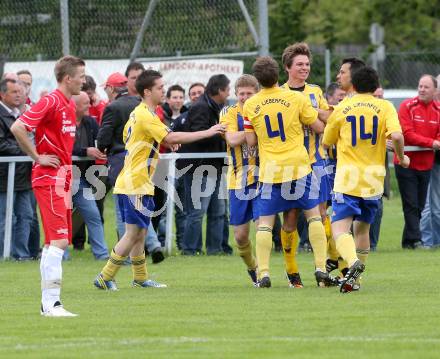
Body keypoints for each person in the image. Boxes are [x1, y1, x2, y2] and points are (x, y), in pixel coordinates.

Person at [93, 69, 226, 291]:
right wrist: (208, 131)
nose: (163, 91)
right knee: (133, 232)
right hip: (135, 182)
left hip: (138, 181)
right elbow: (170, 136)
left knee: (140, 231)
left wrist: (165, 142)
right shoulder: (145, 115)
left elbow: (155, 137)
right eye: (160, 88)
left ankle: (140, 278)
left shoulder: (142, 113)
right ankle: (105, 276)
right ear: (147, 91)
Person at [244, 56, 333, 288]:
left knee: (265, 223)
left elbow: (251, 141)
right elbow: (319, 127)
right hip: (299, 166)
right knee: (314, 215)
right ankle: (321, 267)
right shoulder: (296, 98)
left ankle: (263, 273)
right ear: (278, 74)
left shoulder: (250, 104)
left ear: (258, 80)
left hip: (270, 170)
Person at [11, 55, 86, 317]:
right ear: (68, 78)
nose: (83, 81)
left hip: (63, 176)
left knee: (53, 242)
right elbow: (18, 127)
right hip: (49, 177)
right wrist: (37, 156)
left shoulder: (67, 104)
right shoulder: (51, 101)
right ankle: (51, 303)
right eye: (81, 76)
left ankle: (50, 304)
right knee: (60, 241)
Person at [323, 66, 409, 293]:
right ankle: (355, 281)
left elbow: (326, 141)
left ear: (354, 84)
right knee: (362, 230)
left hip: (348, 177)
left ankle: (352, 264)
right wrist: (401, 157)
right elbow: (398, 136)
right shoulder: (385, 106)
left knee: (340, 229)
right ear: (375, 85)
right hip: (374, 179)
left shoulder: (342, 108)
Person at [279, 42, 332, 287]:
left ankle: (326, 268)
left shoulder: (314, 91)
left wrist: (308, 110)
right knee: (290, 217)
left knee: (321, 213)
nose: (304, 68)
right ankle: (292, 274)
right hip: (288, 164)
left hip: (315, 160)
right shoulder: (278, 93)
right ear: (288, 67)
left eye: (307, 64)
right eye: (299, 64)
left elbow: (328, 117)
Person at [97, 71, 164, 263]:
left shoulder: (113, 107)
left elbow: (103, 139)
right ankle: (152, 246)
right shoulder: (141, 106)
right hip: (143, 164)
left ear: (111, 88)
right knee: (137, 216)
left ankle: (126, 262)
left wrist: (101, 148)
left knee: (126, 216)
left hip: (123, 162)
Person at [180, 74, 230, 255]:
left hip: (216, 166)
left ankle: (214, 250)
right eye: (228, 89)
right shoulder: (201, 107)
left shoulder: (219, 107)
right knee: (197, 212)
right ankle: (190, 250)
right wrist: (221, 133)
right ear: (220, 90)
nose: (229, 93)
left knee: (218, 211)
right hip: (200, 167)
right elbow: (196, 136)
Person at [220, 74, 259, 286]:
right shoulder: (228, 112)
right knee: (240, 236)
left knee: (264, 228)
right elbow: (232, 139)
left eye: (249, 93)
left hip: (263, 178)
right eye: (241, 93)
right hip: (238, 180)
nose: (244, 97)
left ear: (257, 93)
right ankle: (253, 268)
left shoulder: (263, 109)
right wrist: (254, 130)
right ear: (236, 95)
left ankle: (265, 272)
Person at [395, 75, 440, 249]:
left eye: (426, 87)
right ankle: (415, 240)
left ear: (435, 91)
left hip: (426, 164)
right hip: (406, 163)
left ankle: (408, 241)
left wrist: (435, 141)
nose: (422, 89)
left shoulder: (438, 109)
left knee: (420, 205)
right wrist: (432, 143)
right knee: (411, 204)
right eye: (420, 86)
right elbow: (407, 133)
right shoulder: (407, 106)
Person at [71, 91, 109, 260]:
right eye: (86, 103)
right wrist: (84, 151)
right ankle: (61, 255)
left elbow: (99, 143)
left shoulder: (91, 122)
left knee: (93, 215)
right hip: (62, 178)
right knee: (62, 219)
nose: (90, 106)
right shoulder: (62, 122)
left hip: (82, 178)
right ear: (75, 105)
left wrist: (102, 151)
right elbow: (61, 147)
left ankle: (102, 255)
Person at [0, 78, 33, 260]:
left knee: (26, 216)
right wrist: (27, 149)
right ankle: (3, 255)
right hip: (4, 176)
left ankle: (21, 255)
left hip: (22, 176)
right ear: (3, 94)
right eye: (14, 92)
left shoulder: (21, 114)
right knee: (4, 218)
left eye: (20, 91)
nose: (19, 95)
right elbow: (2, 145)